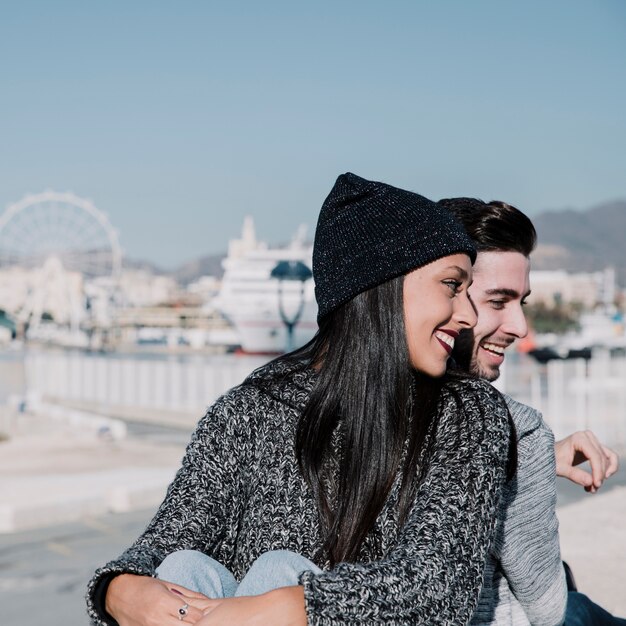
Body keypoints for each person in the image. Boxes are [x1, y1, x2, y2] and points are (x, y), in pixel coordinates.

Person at [86, 173, 515, 626]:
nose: (468, 316)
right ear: (378, 285)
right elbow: (170, 536)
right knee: (180, 570)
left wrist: (292, 606)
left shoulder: (468, 414)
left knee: (279, 572)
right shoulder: (250, 409)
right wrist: (117, 590)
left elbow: (435, 591)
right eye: (452, 285)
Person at [440, 197, 624, 626]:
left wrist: (534, 459)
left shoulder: (354, 407)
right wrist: (528, 452)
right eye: (498, 301)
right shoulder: (511, 428)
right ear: (446, 293)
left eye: (520, 302)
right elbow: (547, 606)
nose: (520, 327)